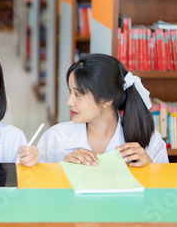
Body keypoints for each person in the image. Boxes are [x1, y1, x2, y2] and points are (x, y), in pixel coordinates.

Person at [34, 53, 168, 167]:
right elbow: (36, 189)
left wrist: (149, 168)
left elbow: (163, 191)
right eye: (70, 91)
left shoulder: (151, 141)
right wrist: (62, 170)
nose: (69, 102)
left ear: (107, 100)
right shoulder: (56, 138)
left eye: (78, 94)